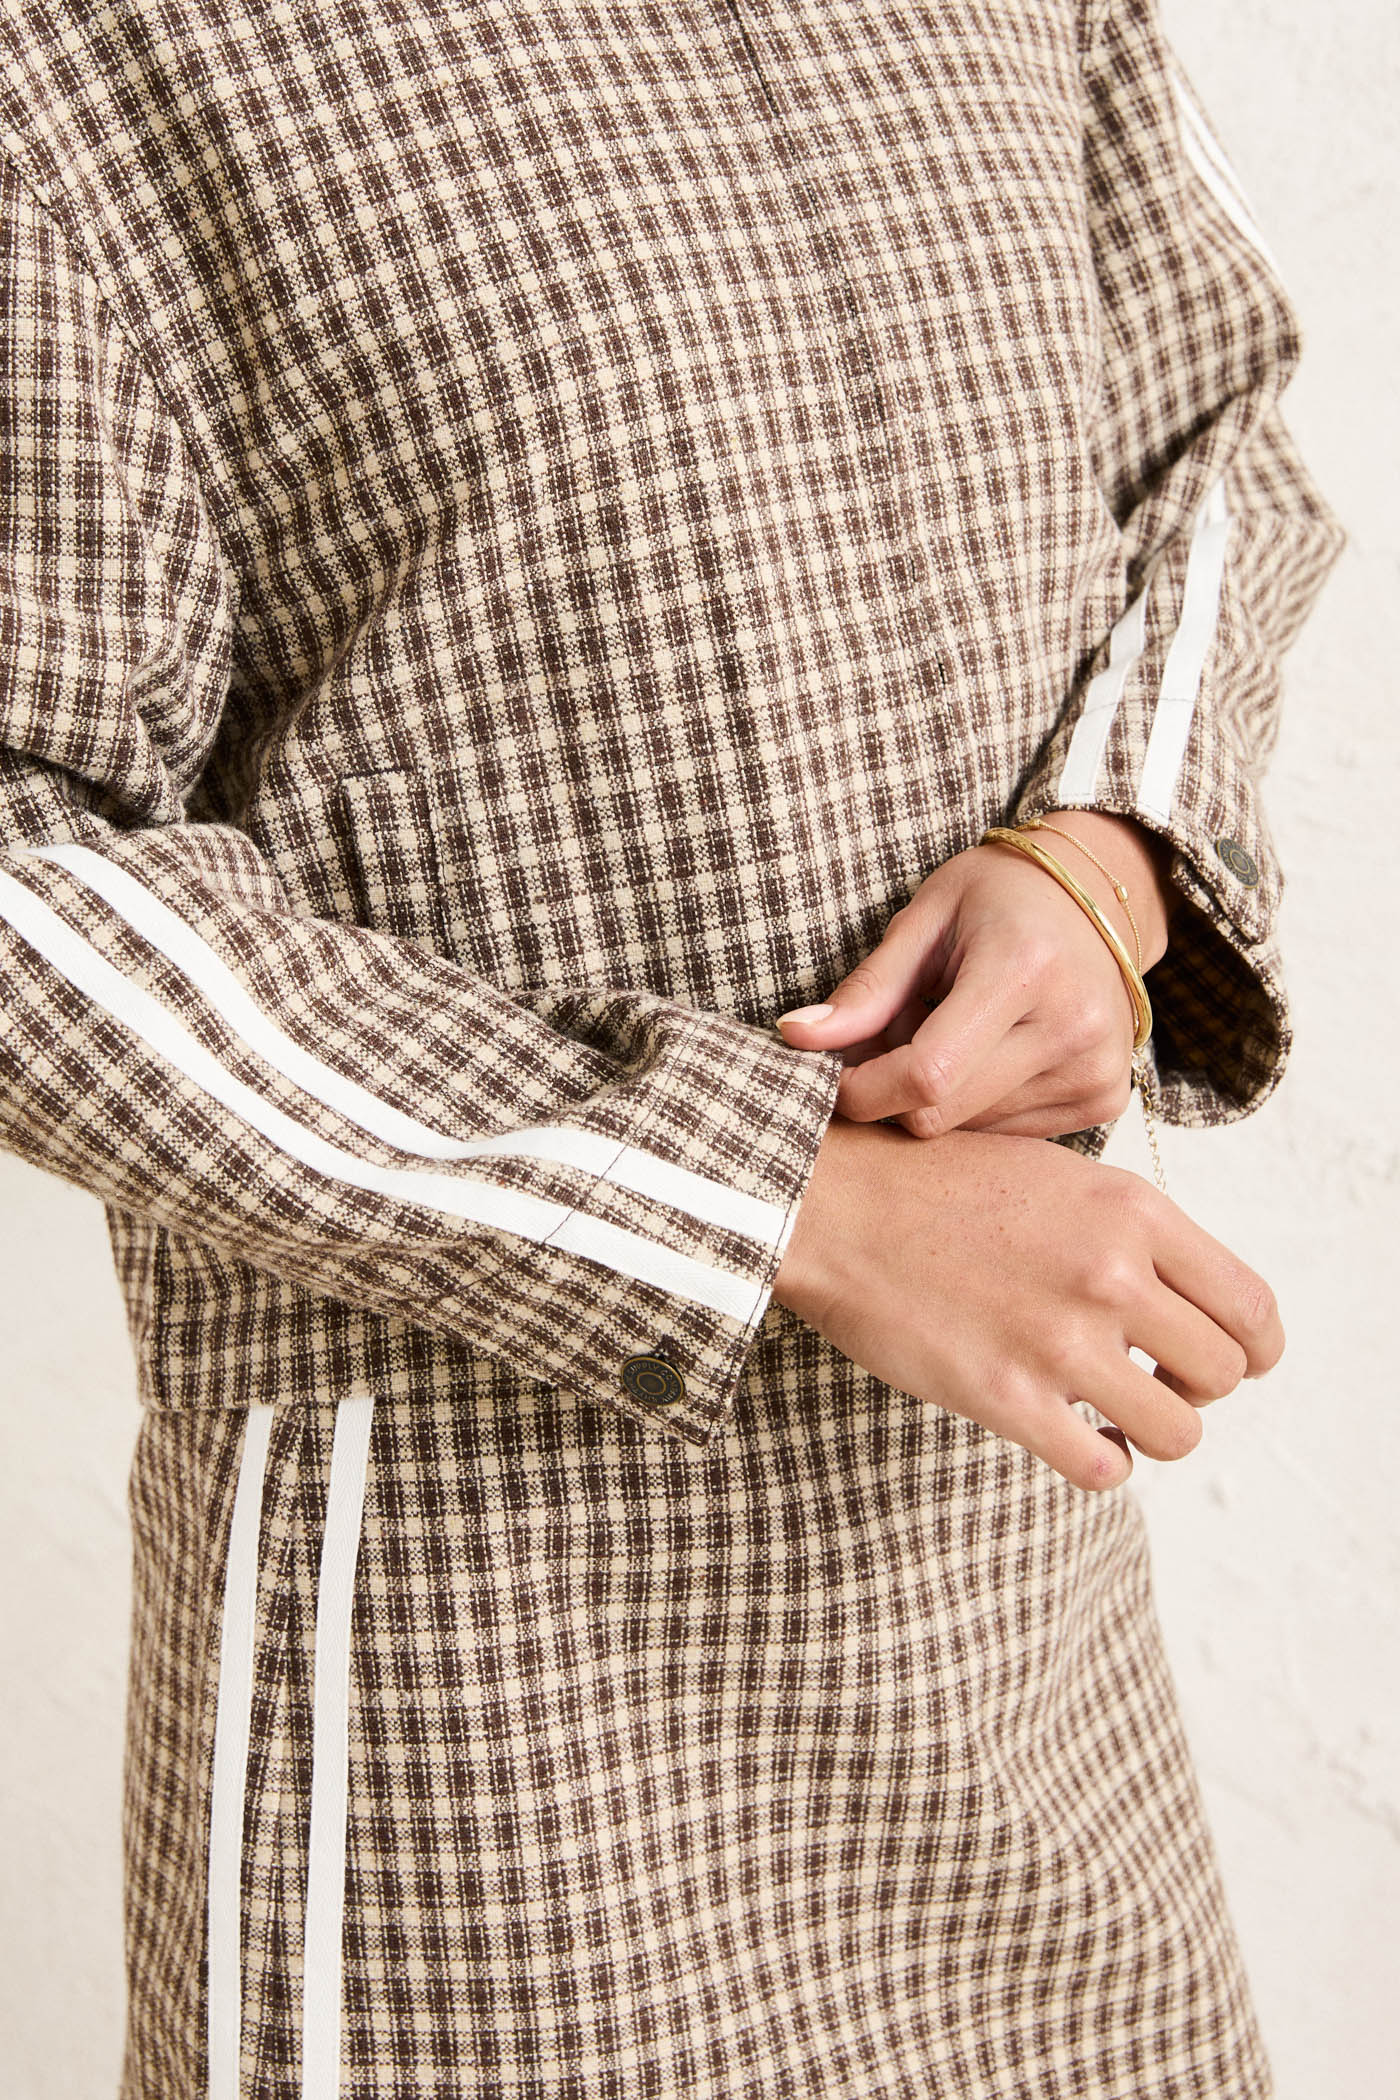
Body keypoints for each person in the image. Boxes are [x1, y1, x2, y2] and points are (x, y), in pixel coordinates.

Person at [0, 0, 1342, 2094]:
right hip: (483, 1694)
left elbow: (1213, 425)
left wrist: (1105, 854)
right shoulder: (85, 56)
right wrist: (773, 1197)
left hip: (1025, 1624)